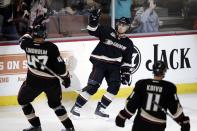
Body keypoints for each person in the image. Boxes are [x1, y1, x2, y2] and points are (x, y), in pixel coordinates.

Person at [70, 8, 134, 118]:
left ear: (128, 27)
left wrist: (126, 74)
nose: (121, 26)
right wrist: (93, 19)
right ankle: (76, 107)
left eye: (124, 25)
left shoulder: (128, 43)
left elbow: (127, 61)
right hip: (100, 64)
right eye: (120, 24)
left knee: (114, 88)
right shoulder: (107, 31)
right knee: (92, 87)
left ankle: (101, 109)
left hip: (114, 67)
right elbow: (92, 30)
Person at [17, 15, 75, 131]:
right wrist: (66, 78)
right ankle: (69, 128)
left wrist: (32, 27)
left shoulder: (26, 44)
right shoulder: (51, 47)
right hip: (51, 83)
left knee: (22, 101)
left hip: (33, 82)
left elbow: (22, 39)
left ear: (34, 34)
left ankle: (35, 126)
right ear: (44, 35)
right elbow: (61, 68)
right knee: (56, 105)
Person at [115, 61, 190, 131]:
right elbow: (175, 108)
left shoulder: (142, 84)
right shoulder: (169, 87)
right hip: (158, 125)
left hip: (141, 123)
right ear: (164, 72)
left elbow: (132, 103)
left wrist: (122, 116)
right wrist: (183, 121)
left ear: (153, 71)